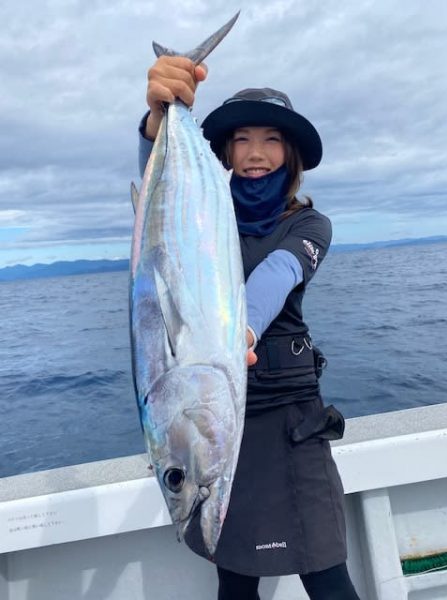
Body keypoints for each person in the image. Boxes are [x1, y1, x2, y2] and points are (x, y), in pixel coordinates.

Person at [138, 56, 360, 600]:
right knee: (234, 585)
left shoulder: (308, 225)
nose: (256, 152)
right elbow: (159, 219)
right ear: (225, 152)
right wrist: (156, 124)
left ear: (291, 155)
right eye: (241, 138)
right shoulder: (204, 215)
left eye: (271, 139)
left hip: (294, 429)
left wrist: (242, 331)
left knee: (328, 576)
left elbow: (277, 276)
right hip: (223, 429)